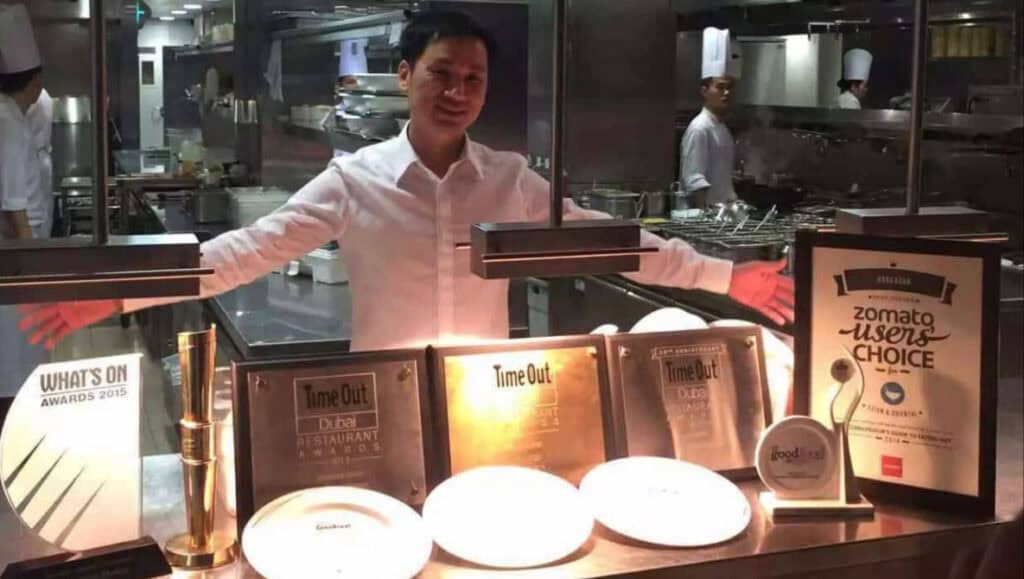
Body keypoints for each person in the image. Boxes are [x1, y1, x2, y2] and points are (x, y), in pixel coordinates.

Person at [19, 10, 795, 355]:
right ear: (404, 77)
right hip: (383, 390)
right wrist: (120, 291)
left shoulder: (511, 179)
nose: (459, 89)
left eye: (474, 78)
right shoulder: (353, 181)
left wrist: (730, 277)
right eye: (441, 73)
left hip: (485, 389)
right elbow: (243, 251)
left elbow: (613, 241)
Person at [1, 3, 49, 403]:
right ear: (33, 82)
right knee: (18, 362)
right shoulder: (9, 124)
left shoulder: (9, 117)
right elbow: (14, 208)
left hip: (21, 256)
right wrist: (37, 269)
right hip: (19, 260)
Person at [679, 27, 741, 208]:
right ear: (704, 91)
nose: (726, 93)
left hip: (721, 215)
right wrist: (704, 218)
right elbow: (694, 179)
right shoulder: (700, 128)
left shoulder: (721, 127)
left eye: (729, 87)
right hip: (706, 217)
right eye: (720, 87)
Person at [27, 87, 54, 238]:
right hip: (40, 158)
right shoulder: (44, 94)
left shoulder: (35, 97)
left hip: (34, 158)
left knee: (36, 219)